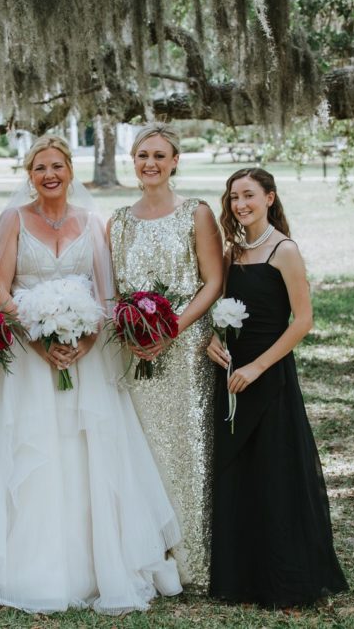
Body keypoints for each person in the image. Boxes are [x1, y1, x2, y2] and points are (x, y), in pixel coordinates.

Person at [0, 135, 182, 615]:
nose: (49, 174)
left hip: (83, 356)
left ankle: (96, 565)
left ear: (71, 170)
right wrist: (38, 337)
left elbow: (107, 295)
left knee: (84, 451)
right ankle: (28, 566)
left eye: (57, 166)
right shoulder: (13, 220)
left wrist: (84, 341)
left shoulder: (94, 222)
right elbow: (0, 289)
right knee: (33, 452)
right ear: (29, 175)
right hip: (30, 357)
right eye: (39, 168)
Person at [206, 167, 348, 607]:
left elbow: (302, 321)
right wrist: (212, 338)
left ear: (269, 198)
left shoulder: (284, 250)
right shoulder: (232, 251)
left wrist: (260, 367)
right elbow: (218, 302)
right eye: (233, 197)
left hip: (268, 374)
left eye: (248, 195)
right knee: (237, 473)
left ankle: (283, 580)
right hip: (231, 373)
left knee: (275, 474)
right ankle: (241, 577)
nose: (240, 204)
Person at [108, 122, 222, 591]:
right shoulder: (117, 221)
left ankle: (193, 560)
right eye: (142, 156)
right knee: (140, 454)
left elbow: (212, 281)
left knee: (189, 451)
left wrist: (171, 329)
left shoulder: (196, 213)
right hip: (134, 352)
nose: (150, 164)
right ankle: (149, 561)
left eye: (159, 155)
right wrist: (132, 329)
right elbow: (113, 288)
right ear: (133, 163)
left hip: (186, 348)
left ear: (175, 161)